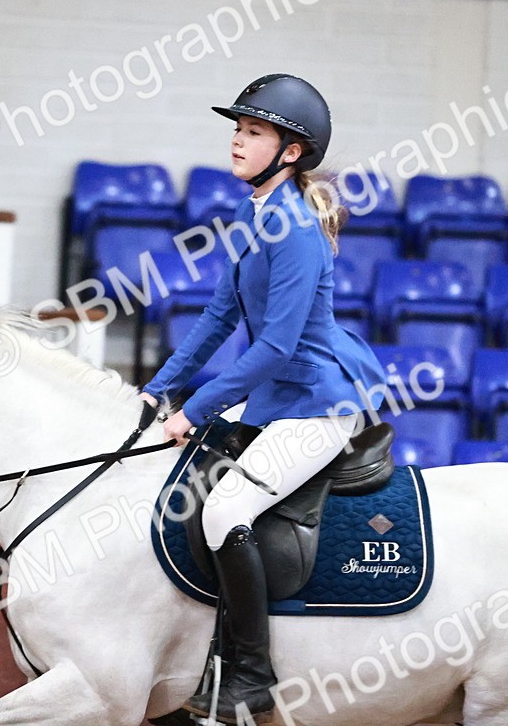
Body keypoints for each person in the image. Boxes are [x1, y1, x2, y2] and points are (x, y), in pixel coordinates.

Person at [138, 73, 390, 723]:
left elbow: (275, 348)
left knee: (224, 511)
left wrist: (194, 410)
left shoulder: (298, 230)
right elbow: (217, 320)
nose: (237, 140)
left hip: (317, 403)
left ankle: (250, 673)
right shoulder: (255, 218)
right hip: (277, 399)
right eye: (238, 129)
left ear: (291, 151)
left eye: (253, 132)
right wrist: (159, 389)